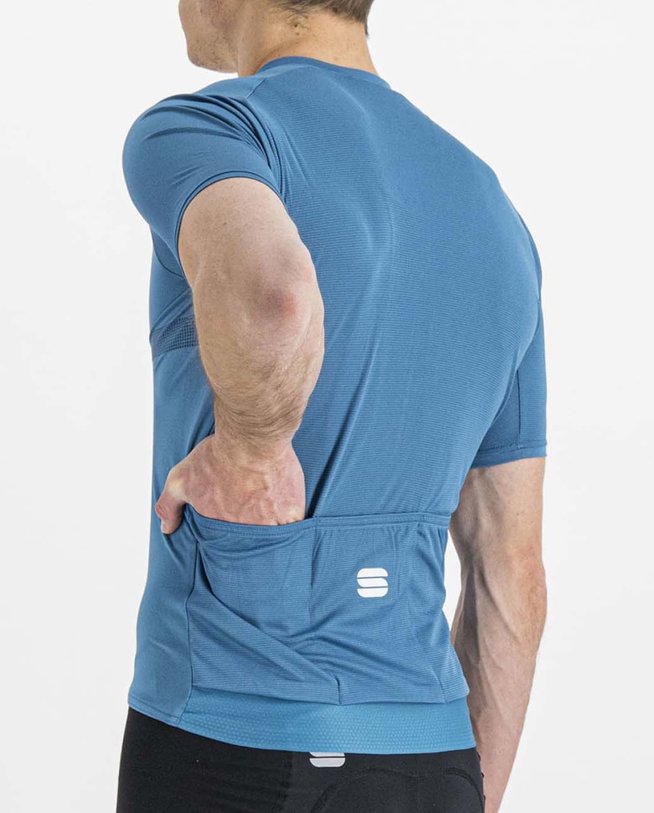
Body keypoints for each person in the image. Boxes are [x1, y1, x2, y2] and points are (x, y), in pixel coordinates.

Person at [117, 1, 548, 811]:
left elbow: (273, 292)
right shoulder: (492, 210)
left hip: (240, 741)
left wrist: (251, 449)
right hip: (437, 758)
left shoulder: (214, 132)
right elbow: (511, 574)